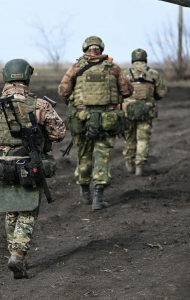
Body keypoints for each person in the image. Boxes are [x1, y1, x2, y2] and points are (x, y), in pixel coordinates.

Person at [0, 59, 65, 279]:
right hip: (30, 164)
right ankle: (17, 254)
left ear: (6, 77)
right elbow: (58, 134)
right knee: (27, 210)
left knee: (10, 208)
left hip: (3, 165)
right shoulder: (41, 105)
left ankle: (13, 253)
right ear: (27, 76)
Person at [58, 36, 133, 211]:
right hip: (107, 119)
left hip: (81, 118)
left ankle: (85, 192)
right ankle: (98, 198)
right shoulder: (113, 68)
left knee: (83, 155)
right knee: (102, 156)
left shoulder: (76, 67)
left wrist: (76, 104)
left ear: (85, 49)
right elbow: (127, 90)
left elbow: (63, 91)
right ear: (101, 48)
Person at [122, 48, 167, 176]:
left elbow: (118, 92)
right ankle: (139, 167)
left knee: (129, 138)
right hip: (146, 111)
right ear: (145, 59)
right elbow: (162, 92)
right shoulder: (153, 74)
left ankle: (129, 164)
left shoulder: (125, 73)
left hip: (127, 111)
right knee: (143, 140)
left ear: (132, 60)